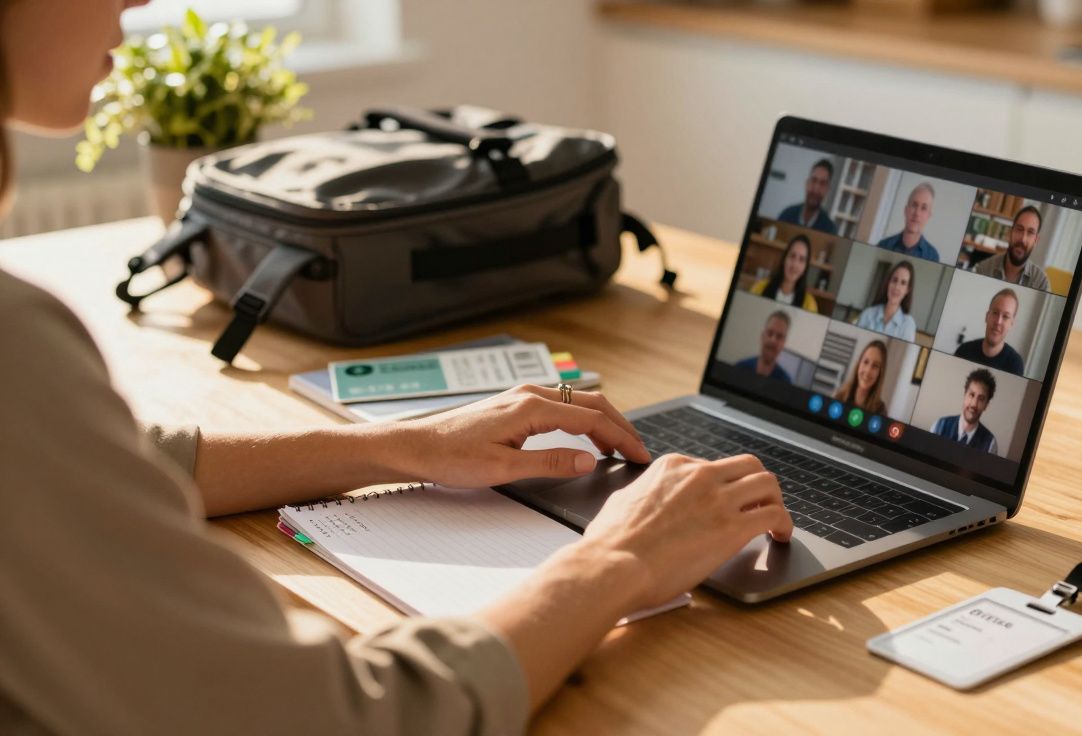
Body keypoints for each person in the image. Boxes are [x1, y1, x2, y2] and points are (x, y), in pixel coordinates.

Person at [0, 3, 793, 734]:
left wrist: (400, 445)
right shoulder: (18, 340)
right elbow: (343, 718)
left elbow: (113, 462)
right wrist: (618, 560)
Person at [971, 205, 1051, 292]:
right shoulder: (983, 269)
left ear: (1036, 241)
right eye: (1019, 229)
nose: (1023, 239)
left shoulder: (1041, 283)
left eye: (1030, 232)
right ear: (1010, 233)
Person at [954, 288, 1025, 376]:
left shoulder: (1015, 365)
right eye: (995, 313)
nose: (998, 322)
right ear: (987, 316)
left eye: (1006, 316)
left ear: (1011, 324)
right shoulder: (963, 351)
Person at [932, 368, 999, 455]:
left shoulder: (991, 444)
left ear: (986, 405)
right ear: (965, 395)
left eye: (981, 399)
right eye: (972, 395)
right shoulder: (938, 426)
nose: (974, 404)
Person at [749, 233, 818, 312]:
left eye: (801, 259)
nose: (795, 264)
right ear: (784, 259)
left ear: (805, 267)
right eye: (792, 256)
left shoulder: (810, 305)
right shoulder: (759, 288)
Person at [876, 182, 939, 262]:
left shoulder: (932, 256)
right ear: (905, 210)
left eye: (923, 208)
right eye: (914, 205)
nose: (917, 213)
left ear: (928, 216)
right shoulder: (883, 245)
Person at [856, 261, 917, 342]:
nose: (896, 287)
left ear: (907, 290)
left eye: (903, 283)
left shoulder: (908, 325)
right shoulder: (867, 314)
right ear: (888, 283)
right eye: (894, 280)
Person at [776, 158, 838, 234]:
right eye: (814, 180)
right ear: (807, 183)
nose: (816, 188)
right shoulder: (786, 216)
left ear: (827, 190)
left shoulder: (830, 229)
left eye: (822, 183)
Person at [734, 310, 793, 382]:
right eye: (770, 333)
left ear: (783, 343)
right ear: (762, 336)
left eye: (779, 336)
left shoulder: (786, 382)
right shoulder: (738, 369)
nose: (773, 340)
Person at [832, 340, 888, 416]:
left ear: (880, 373)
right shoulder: (839, 397)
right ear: (859, 363)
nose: (868, 370)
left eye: (875, 366)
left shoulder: (881, 411)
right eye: (866, 362)